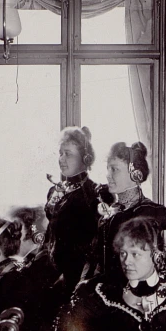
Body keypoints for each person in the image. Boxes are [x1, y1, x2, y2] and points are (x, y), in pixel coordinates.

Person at [86, 141, 166, 283]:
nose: (108, 175)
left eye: (115, 169)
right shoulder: (111, 210)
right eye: (108, 169)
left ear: (135, 174)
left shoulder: (149, 212)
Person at [42, 126, 100, 295]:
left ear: (85, 158)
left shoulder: (93, 194)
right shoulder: (55, 191)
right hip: (50, 272)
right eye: (60, 153)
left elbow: (94, 250)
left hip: (77, 278)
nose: (61, 159)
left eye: (68, 154)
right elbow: (49, 237)